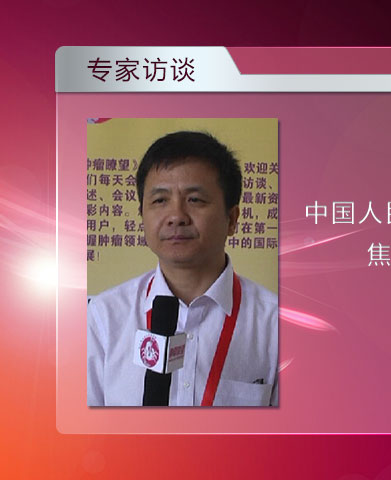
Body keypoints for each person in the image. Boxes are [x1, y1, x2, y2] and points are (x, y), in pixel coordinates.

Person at [87, 131, 278, 406]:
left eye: (195, 200)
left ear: (232, 219)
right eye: (160, 201)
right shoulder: (104, 317)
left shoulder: (276, 323)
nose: (176, 216)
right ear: (142, 215)